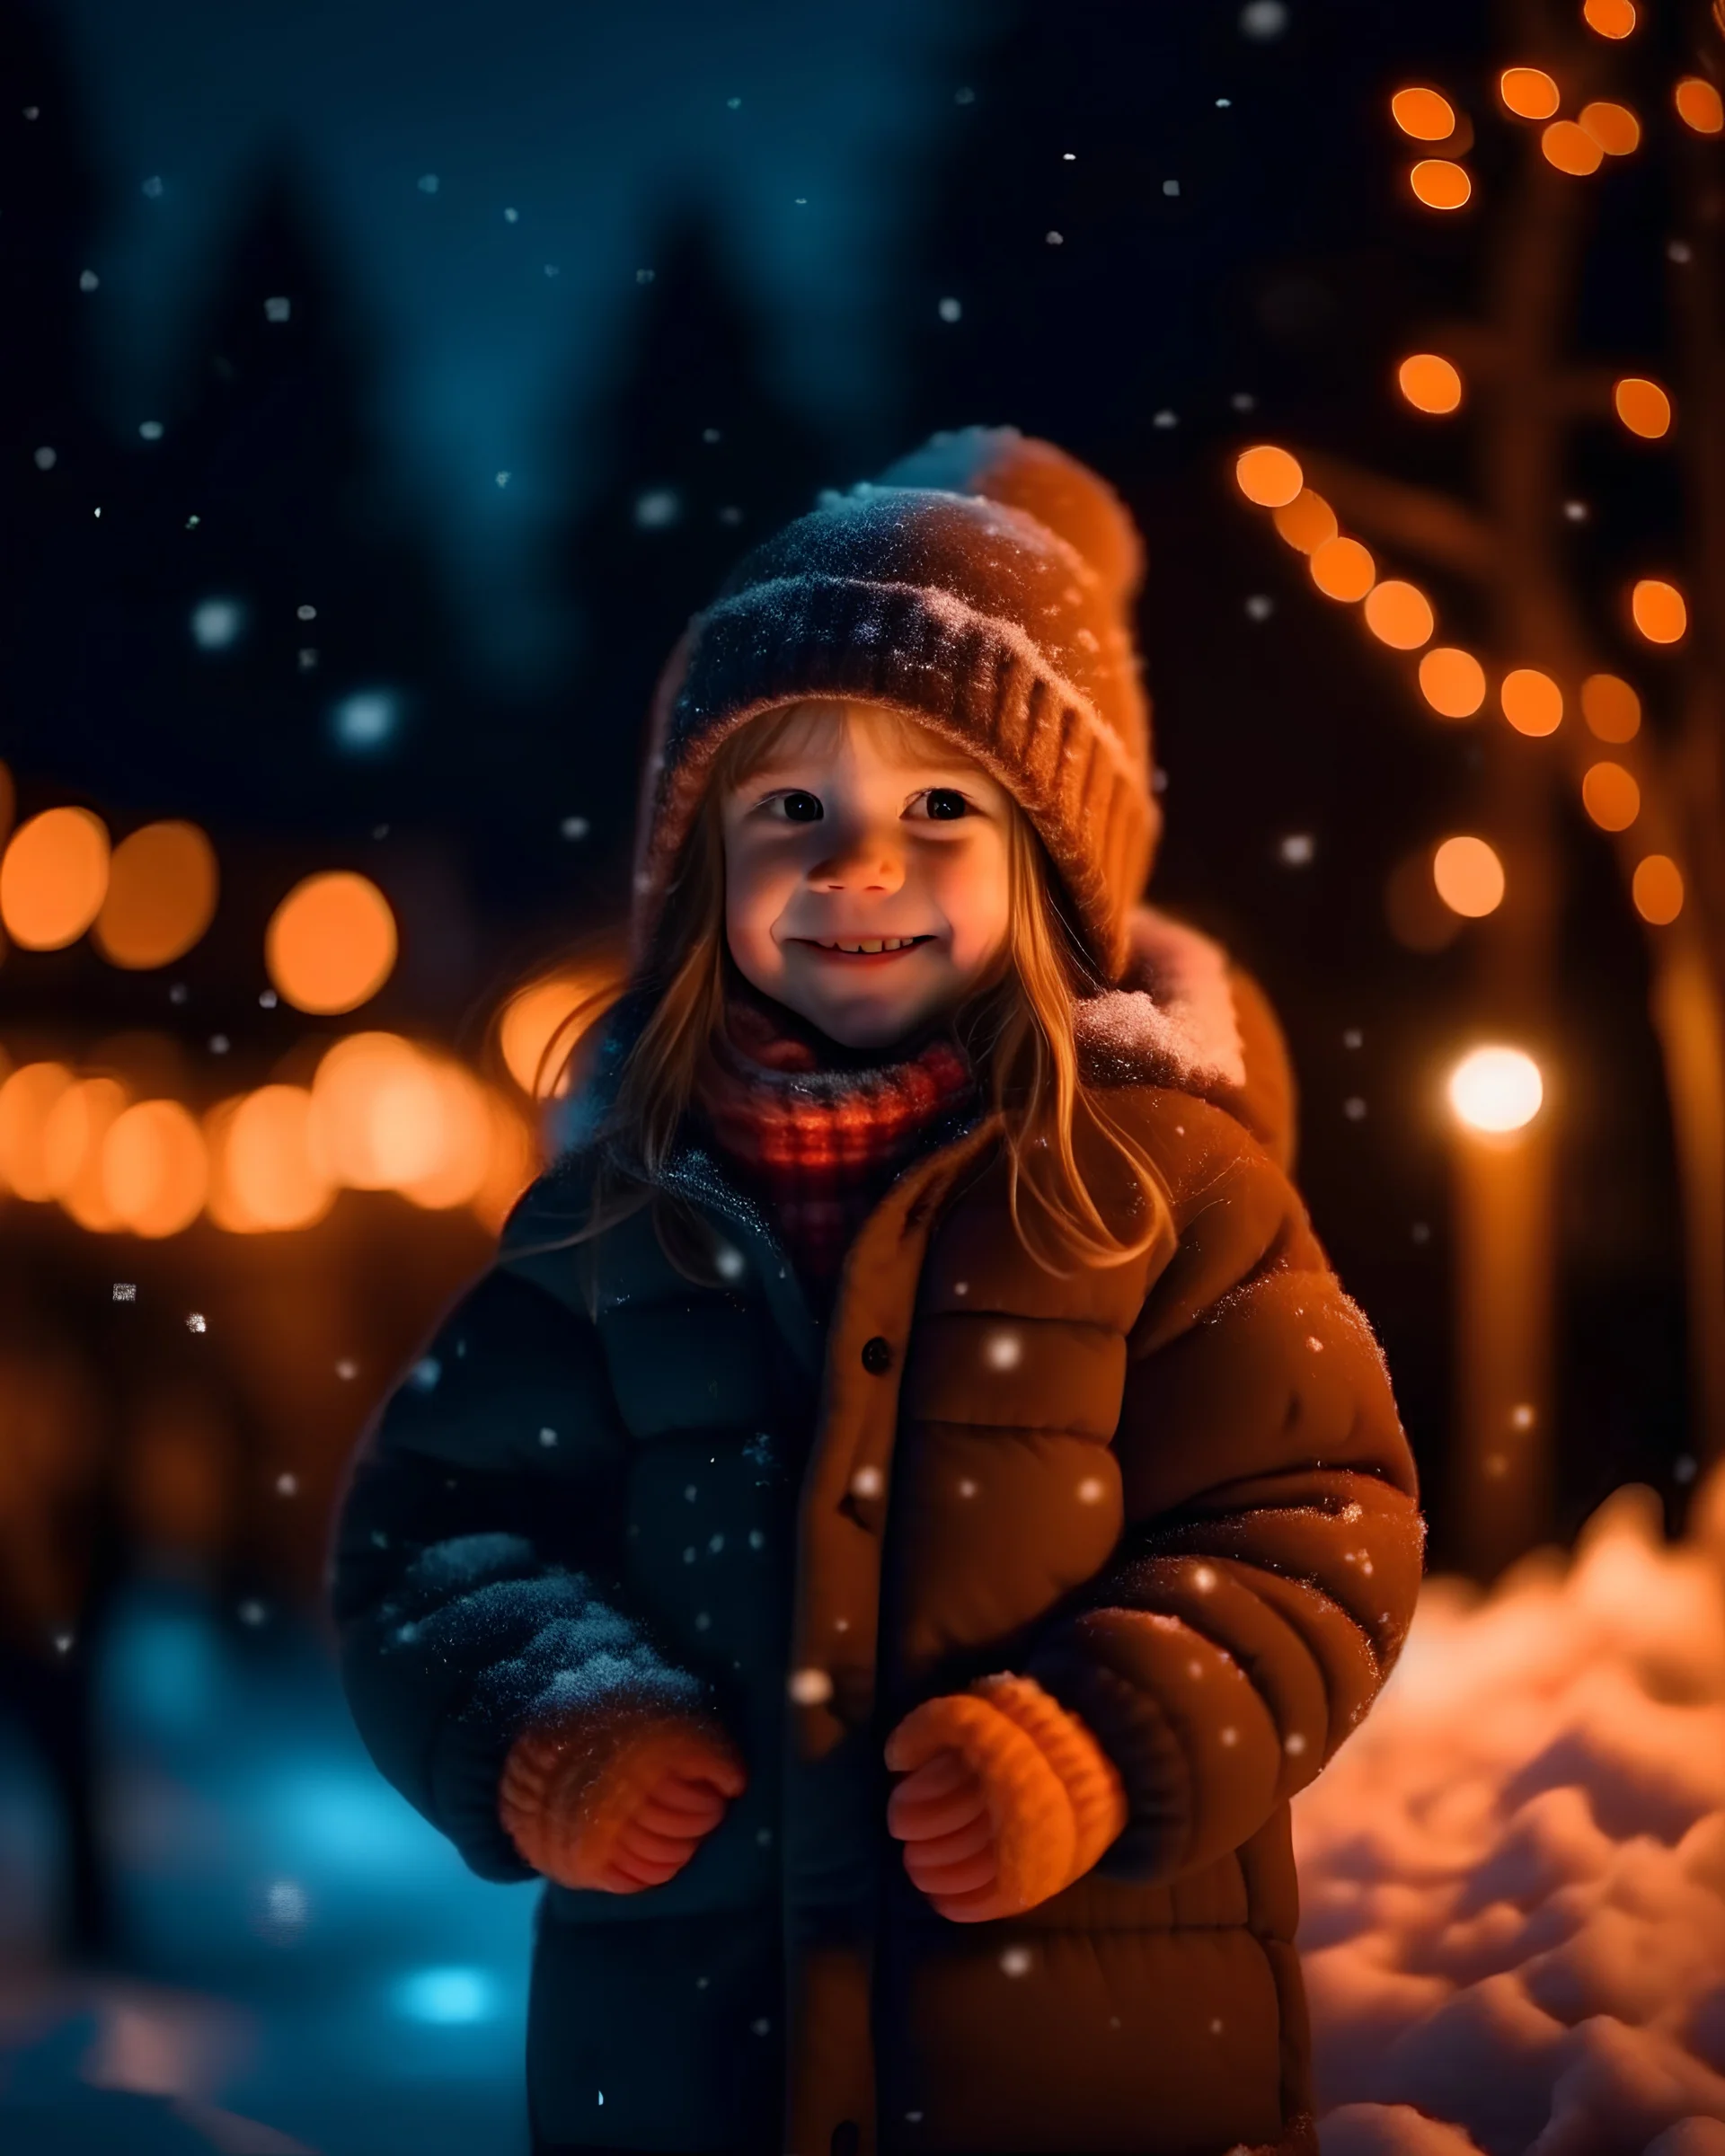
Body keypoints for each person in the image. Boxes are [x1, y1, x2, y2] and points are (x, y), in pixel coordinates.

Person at [329, 427, 1426, 2156]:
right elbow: (429, 1534)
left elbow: (1316, 1521)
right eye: (791, 809)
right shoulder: (609, 1226)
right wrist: (554, 1720)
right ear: (702, 870)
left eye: (938, 807)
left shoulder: (1167, 1194)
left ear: (1054, 871)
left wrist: (1106, 1735)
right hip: (693, 2071)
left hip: (1088, 2065)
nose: (856, 869)